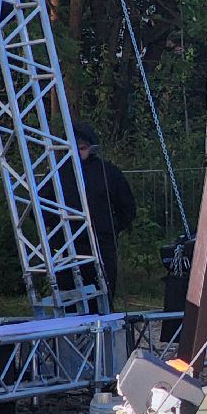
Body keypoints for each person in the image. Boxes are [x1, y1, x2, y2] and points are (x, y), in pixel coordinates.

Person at [69, 122, 137, 297]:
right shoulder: (59, 173)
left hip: (101, 245)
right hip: (68, 249)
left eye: (82, 147)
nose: (78, 152)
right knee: (71, 298)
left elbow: (127, 207)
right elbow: (40, 210)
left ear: (91, 148)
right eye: (75, 147)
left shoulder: (108, 172)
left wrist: (110, 227)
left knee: (102, 296)